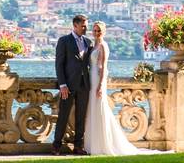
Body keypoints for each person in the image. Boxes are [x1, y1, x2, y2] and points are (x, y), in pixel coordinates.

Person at [84, 21, 164, 155]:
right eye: (95, 30)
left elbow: (104, 67)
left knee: (100, 110)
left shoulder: (103, 45)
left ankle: (104, 144)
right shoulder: (94, 45)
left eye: (99, 31)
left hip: (98, 80)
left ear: (104, 32)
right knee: (92, 110)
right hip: (91, 79)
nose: (96, 33)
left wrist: (100, 86)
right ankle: (93, 144)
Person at [52, 14, 92, 156]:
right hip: (68, 86)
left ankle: (78, 147)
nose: (85, 28)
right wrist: (62, 84)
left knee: (81, 117)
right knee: (63, 115)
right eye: (83, 26)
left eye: (86, 25)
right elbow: (59, 64)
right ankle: (56, 146)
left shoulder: (88, 42)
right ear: (75, 25)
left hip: (84, 86)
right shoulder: (64, 41)